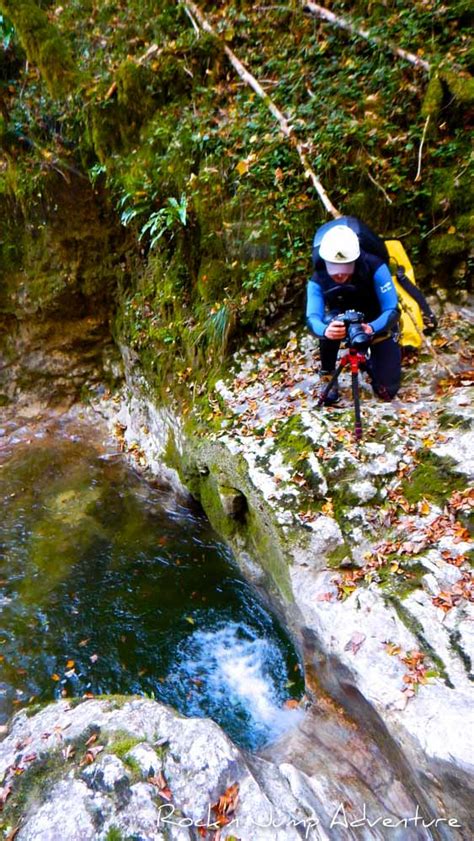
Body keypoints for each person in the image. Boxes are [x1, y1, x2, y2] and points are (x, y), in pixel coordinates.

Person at [306, 222, 401, 404]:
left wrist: (372, 328)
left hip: (375, 317)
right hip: (339, 318)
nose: (339, 276)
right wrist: (326, 331)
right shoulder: (318, 277)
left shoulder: (374, 266)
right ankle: (327, 373)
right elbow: (312, 317)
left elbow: (392, 309)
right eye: (334, 269)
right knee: (328, 322)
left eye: (344, 269)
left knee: (388, 389)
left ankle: (374, 355)